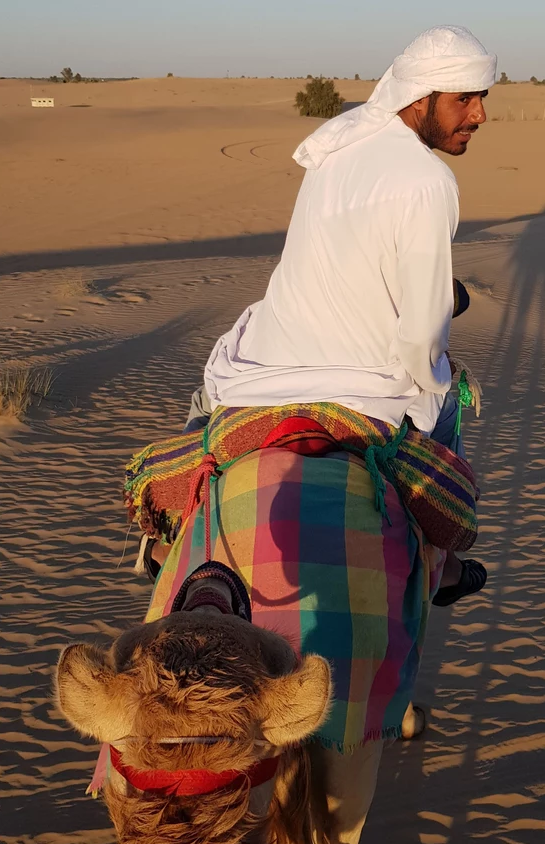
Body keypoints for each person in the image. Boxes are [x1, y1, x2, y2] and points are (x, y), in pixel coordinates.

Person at [151, 25, 494, 611]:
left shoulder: (336, 150)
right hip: (360, 389)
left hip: (264, 363)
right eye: (464, 97)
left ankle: (166, 539)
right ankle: (440, 563)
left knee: (208, 413)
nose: (480, 114)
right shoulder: (429, 179)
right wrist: (435, 385)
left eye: (483, 97)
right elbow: (419, 335)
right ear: (420, 97)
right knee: (445, 399)